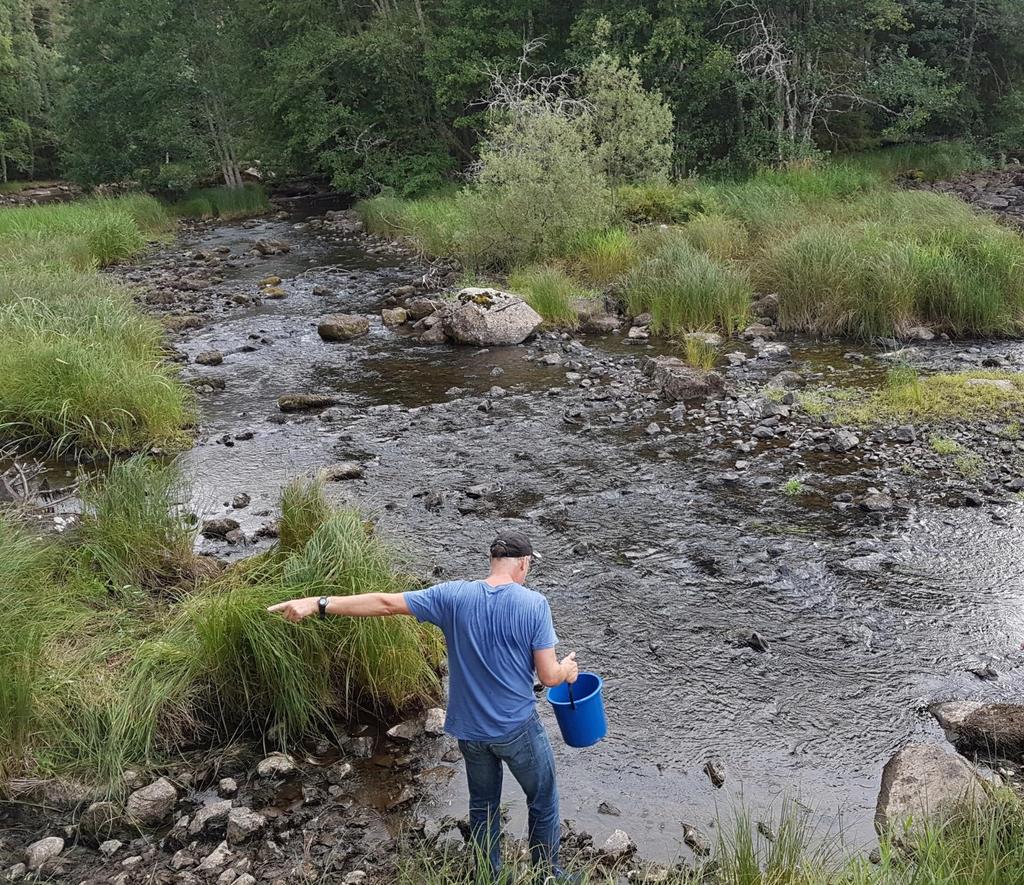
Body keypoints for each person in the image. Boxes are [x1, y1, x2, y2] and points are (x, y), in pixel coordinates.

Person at [267, 530, 580, 881]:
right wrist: (567, 670)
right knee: (543, 798)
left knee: (483, 806)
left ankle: (488, 876)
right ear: (523, 563)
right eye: (529, 566)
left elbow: (385, 603)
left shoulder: (452, 596)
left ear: (493, 561)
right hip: (516, 728)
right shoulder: (533, 604)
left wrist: (318, 604)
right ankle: (546, 875)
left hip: (470, 730)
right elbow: (548, 676)